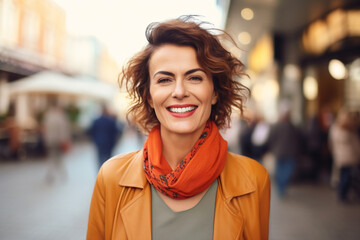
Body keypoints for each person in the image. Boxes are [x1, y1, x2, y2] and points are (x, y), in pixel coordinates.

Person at [87, 16, 270, 240]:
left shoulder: (254, 180)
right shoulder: (111, 178)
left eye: (194, 77)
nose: (180, 91)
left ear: (214, 92)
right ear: (149, 96)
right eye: (165, 80)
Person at [267, 101, 302, 197]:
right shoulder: (285, 126)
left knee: (285, 171)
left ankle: (281, 187)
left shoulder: (291, 126)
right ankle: (281, 188)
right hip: (283, 153)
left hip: (285, 153)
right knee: (283, 171)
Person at [329, 108, 360, 202]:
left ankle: (343, 194)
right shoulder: (344, 130)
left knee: (346, 176)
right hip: (347, 156)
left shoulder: (339, 128)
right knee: (346, 176)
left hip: (345, 156)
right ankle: (342, 195)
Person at [42, 98, 71, 183]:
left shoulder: (48, 116)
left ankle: (51, 174)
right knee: (59, 158)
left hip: (50, 141)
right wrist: (65, 140)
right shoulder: (60, 117)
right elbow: (63, 130)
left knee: (51, 157)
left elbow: (45, 129)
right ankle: (62, 174)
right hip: (58, 141)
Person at [89, 105, 122, 169]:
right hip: (109, 143)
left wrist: (94, 140)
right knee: (108, 158)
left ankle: (101, 171)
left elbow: (91, 131)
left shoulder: (96, 121)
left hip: (99, 142)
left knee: (100, 158)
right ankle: (107, 171)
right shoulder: (111, 121)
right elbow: (115, 132)